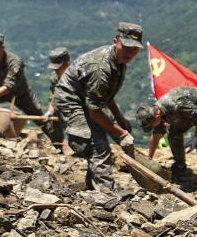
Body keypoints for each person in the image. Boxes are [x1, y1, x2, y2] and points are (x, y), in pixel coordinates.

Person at [53, 23, 142, 191]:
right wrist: (122, 134)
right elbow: (95, 112)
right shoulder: (101, 69)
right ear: (116, 41)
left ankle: (91, 185)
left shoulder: (119, 61)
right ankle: (106, 194)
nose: (130, 53)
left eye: (135, 49)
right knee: (96, 144)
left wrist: (120, 118)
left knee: (98, 136)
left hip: (87, 98)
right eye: (126, 47)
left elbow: (106, 96)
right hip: (70, 99)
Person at [135, 86, 197, 202]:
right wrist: (148, 160)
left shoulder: (175, 105)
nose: (153, 127)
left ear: (156, 116)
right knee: (173, 133)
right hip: (190, 112)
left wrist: (196, 138)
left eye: (152, 125)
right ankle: (180, 166)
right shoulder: (158, 112)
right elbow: (156, 136)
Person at [0, 33, 59, 142]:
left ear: (2, 47)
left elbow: (9, 86)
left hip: (21, 94)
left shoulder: (14, 62)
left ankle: (59, 142)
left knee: (40, 118)